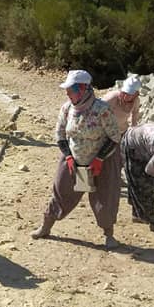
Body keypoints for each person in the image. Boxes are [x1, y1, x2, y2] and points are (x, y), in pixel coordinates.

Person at [31, 70, 123, 251]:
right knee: (62, 192)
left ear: (83, 89)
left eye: (71, 90)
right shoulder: (67, 108)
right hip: (75, 160)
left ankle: (109, 235)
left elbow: (114, 137)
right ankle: (46, 227)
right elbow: (60, 135)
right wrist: (68, 156)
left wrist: (99, 158)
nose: (67, 93)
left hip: (101, 164)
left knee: (104, 198)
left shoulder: (102, 109)